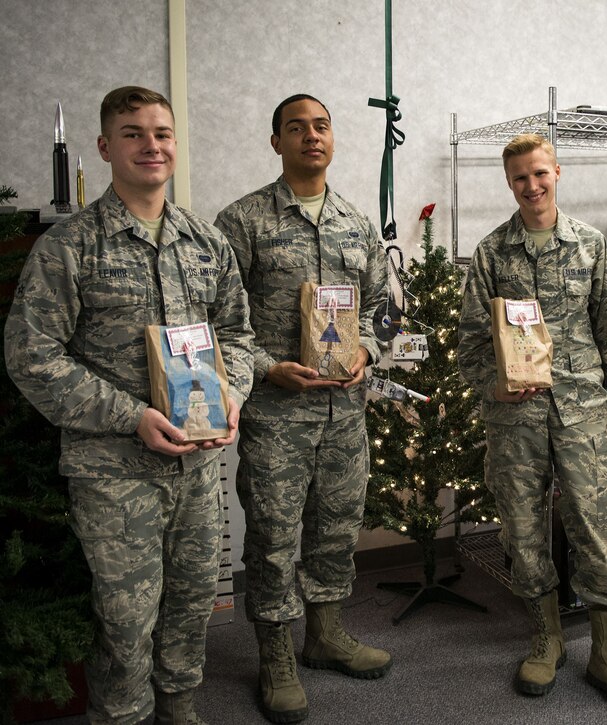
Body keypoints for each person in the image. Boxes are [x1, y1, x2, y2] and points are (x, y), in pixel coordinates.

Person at [4, 86, 254, 725]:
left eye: (163, 133)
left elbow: (237, 335)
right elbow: (33, 356)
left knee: (194, 602)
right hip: (113, 472)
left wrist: (232, 391)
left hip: (197, 468)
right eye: (135, 133)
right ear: (105, 146)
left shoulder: (204, 241)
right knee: (125, 618)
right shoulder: (72, 246)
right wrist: (131, 417)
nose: (152, 145)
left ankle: (181, 708)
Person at [457, 133, 607, 718]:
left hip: (583, 411)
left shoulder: (590, 244)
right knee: (522, 530)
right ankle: (545, 639)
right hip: (514, 417)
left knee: (595, 528)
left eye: (540, 173)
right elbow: (472, 341)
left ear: (557, 172)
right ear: (509, 182)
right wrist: (492, 385)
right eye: (520, 177)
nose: (532, 185)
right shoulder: (492, 253)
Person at [214, 94, 390, 724]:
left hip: (345, 411)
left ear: (332, 138)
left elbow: (379, 309)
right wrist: (266, 368)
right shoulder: (242, 222)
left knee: (336, 527)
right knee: (272, 536)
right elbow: (219, 322)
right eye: (296, 128)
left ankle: (325, 634)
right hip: (277, 414)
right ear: (276, 141)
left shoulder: (355, 221)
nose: (311, 136)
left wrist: (367, 347)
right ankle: (276, 657)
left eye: (320, 126)